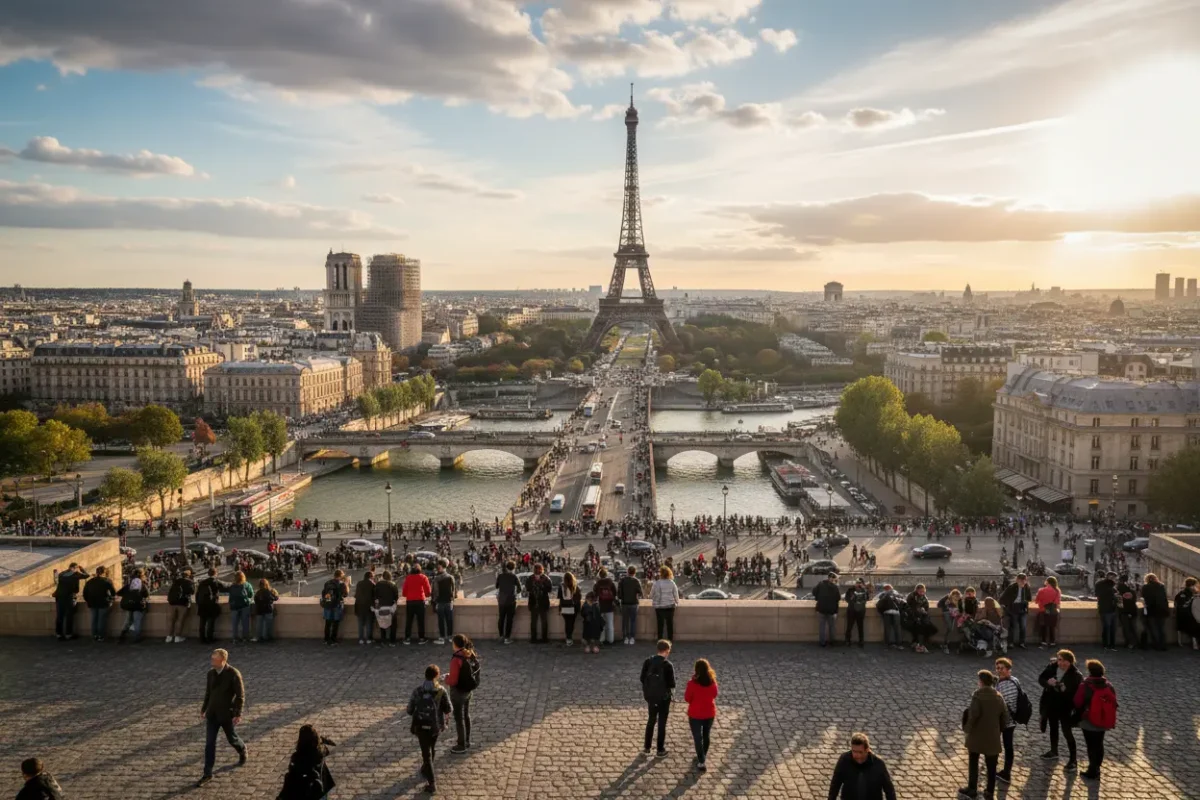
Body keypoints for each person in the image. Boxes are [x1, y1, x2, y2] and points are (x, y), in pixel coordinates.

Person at [197, 648, 247, 787]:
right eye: (212, 658)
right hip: (212, 714)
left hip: (225, 714)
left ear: (223, 660)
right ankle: (207, 773)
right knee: (209, 744)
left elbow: (240, 696)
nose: (212, 661)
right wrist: (204, 708)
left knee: (232, 739)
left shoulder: (233, 674)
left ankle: (242, 749)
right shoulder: (210, 674)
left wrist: (237, 713)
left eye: (215, 659)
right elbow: (208, 693)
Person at [961, 669, 1009, 800]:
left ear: (981, 682)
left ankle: (972, 789)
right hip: (992, 736)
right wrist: (999, 730)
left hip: (977, 734)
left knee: (973, 762)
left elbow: (973, 715)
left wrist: (967, 729)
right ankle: (989, 791)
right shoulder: (999, 696)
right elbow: (1004, 716)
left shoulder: (978, 695)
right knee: (991, 766)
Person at [406, 664, 453, 795]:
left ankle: (431, 783)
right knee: (431, 747)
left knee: (425, 753)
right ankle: (426, 767)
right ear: (436, 676)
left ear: (425, 675)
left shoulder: (417, 691)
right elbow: (448, 709)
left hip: (420, 726)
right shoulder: (441, 691)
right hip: (435, 726)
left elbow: (409, 710)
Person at [1073, 659, 1118, 782]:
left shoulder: (1085, 685)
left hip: (1088, 720)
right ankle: (1097, 768)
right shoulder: (1108, 685)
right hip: (1103, 719)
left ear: (1090, 671)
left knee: (1091, 745)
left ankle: (1092, 771)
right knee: (1099, 744)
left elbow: (1077, 702)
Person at [1038, 648, 1082, 771]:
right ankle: (1054, 751)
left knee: (1067, 732)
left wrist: (1062, 688)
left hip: (1065, 708)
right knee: (1053, 728)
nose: (1060, 663)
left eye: (1063, 660)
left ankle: (1073, 760)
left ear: (1070, 662)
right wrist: (1048, 683)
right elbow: (1041, 678)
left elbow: (1076, 694)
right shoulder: (1052, 667)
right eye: (1059, 660)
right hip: (1052, 704)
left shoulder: (1076, 675)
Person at [826, 732, 897, 800]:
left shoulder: (878, 764)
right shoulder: (844, 760)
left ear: (867, 750)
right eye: (854, 751)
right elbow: (835, 784)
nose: (857, 755)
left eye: (860, 752)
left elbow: (889, 789)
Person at [277, 724, 336, 800]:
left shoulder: (296, 757)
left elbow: (292, 775)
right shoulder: (319, 752)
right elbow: (325, 750)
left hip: (304, 792)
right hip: (319, 789)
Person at [640, 639, 676, 756]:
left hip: (651, 697)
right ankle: (660, 749)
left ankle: (647, 747)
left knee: (651, 720)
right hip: (664, 698)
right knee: (662, 723)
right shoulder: (668, 665)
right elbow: (672, 684)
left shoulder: (648, 661)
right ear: (667, 650)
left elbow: (642, 678)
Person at [446, 634, 480, 754]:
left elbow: (453, 681)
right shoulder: (469, 654)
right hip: (468, 690)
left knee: (459, 718)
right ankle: (467, 740)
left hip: (458, 692)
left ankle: (461, 744)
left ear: (455, 644)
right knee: (466, 715)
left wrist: (446, 679)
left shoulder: (456, 659)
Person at [993, 658, 1024, 784]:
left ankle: (1005, 772)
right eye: (998, 668)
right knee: (1008, 746)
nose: (999, 670)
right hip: (1011, 720)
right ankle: (1005, 771)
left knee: (1002, 745)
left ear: (1008, 669)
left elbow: (1001, 703)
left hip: (1004, 720)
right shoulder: (1014, 680)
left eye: (1002, 668)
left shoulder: (1005, 685)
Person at [684, 658, 718, 772]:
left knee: (697, 737)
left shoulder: (692, 683)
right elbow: (715, 694)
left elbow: (687, 698)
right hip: (709, 713)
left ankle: (701, 760)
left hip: (695, 714)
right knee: (706, 735)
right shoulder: (712, 682)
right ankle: (703, 755)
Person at [52, 561, 89, 641]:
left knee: (60, 616)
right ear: (75, 568)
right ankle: (68, 634)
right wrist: (82, 569)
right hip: (69, 597)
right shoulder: (76, 574)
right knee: (69, 616)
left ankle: (59, 634)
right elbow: (87, 575)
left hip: (59, 597)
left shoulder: (62, 574)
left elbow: (57, 581)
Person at [82, 565, 116, 642]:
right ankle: (100, 636)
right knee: (101, 620)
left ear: (97, 572)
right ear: (104, 572)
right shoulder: (107, 581)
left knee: (94, 619)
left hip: (92, 603)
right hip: (103, 603)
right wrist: (110, 599)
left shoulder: (90, 581)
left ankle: (94, 635)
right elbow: (113, 593)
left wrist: (88, 601)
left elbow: (85, 594)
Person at [998, 573, 1032, 649]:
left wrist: (1025, 602)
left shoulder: (1026, 587)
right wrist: (1006, 605)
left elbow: (1029, 598)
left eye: (1024, 581)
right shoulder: (1011, 587)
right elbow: (1002, 597)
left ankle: (1022, 642)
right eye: (1021, 581)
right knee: (1013, 626)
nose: (1023, 583)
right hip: (1013, 608)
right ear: (1017, 580)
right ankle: (1010, 642)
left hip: (1022, 608)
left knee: (1023, 626)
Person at [117, 568, 150, 644]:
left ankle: (122, 636)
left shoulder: (129, 585)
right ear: (142, 576)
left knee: (128, 621)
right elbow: (146, 595)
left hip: (129, 605)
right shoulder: (142, 585)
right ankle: (136, 638)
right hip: (138, 605)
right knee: (137, 621)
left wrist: (128, 595)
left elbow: (118, 593)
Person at [401, 564, 431, 645]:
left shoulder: (408, 578)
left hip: (410, 602)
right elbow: (428, 592)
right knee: (421, 621)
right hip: (420, 601)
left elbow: (404, 593)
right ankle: (421, 638)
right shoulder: (423, 577)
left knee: (409, 621)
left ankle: (407, 638)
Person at [165, 568, 196, 644]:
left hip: (173, 602)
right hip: (183, 602)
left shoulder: (176, 581)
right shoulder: (190, 582)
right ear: (189, 575)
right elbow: (192, 592)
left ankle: (169, 637)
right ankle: (177, 637)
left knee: (172, 620)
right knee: (180, 620)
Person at [650, 565, 680, 642]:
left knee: (660, 624)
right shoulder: (672, 583)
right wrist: (677, 602)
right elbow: (676, 595)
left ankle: (660, 640)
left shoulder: (657, 583)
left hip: (659, 607)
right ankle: (670, 640)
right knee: (670, 624)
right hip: (670, 606)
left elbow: (651, 595)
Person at [1140, 573, 1169, 651]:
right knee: (1161, 629)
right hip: (1162, 610)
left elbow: (1144, 598)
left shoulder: (1145, 587)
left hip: (1151, 610)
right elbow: (1165, 599)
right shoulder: (1161, 586)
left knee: (1153, 629)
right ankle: (1163, 645)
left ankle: (1157, 645)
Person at [525, 564, 553, 644]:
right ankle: (544, 638)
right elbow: (550, 589)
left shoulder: (530, 578)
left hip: (534, 602)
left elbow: (528, 588)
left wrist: (536, 587)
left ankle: (534, 638)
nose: (537, 571)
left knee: (534, 622)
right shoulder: (546, 578)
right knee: (543, 621)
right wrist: (541, 587)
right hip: (542, 602)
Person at [320, 569, 348, 646]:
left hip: (328, 605)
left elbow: (323, 593)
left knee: (328, 623)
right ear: (341, 576)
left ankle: (326, 639)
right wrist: (346, 584)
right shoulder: (341, 584)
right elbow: (345, 595)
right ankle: (333, 640)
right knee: (335, 623)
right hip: (337, 605)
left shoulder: (327, 582)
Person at [495, 561, 520, 645]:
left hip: (502, 600)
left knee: (501, 618)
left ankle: (501, 636)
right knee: (509, 620)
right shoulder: (514, 576)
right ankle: (507, 638)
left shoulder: (500, 576)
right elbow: (519, 589)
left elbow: (497, 586)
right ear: (513, 568)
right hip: (511, 601)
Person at [813, 572, 841, 647]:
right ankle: (832, 641)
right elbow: (838, 598)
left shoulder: (821, 584)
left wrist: (818, 598)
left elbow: (814, 592)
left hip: (821, 609)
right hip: (831, 610)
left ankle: (822, 642)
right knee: (832, 627)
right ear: (833, 579)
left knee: (822, 627)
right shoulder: (835, 587)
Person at [1094, 571, 1119, 652]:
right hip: (1107, 609)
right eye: (1114, 578)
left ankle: (1110, 645)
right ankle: (1108, 645)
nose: (1115, 579)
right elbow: (1100, 594)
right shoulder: (1105, 585)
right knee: (1108, 628)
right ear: (1109, 577)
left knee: (1110, 628)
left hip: (1110, 609)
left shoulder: (1110, 585)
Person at [618, 566, 643, 645]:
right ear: (634, 572)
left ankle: (625, 637)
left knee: (625, 621)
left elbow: (619, 594)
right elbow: (640, 593)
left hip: (624, 603)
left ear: (627, 571)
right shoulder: (636, 581)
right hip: (634, 603)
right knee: (633, 621)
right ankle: (632, 637)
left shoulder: (622, 580)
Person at [374, 570, 400, 646]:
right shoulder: (393, 584)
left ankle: (383, 640)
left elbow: (375, 595)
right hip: (391, 606)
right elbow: (396, 597)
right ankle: (392, 641)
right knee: (393, 625)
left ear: (383, 576)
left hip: (381, 606)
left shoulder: (378, 584)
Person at [593, 567, 619, 646]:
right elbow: (615, 593)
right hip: (609, 605)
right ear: (606, 574)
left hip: (600, 606)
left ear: (600, 575)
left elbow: (594, 594)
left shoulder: (597, 583)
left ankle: (602, 639)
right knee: (610, 624)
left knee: (601, 624)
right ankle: (610, 640)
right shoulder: (610, 582)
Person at [1034, 576, 1062, 648]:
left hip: (1043, 611)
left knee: (1043, 626)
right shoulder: (1057, 591)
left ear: (1047, 582)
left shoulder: (1041, 590)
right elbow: (1058, 603)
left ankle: (1043, 641)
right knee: (1052, 627)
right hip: (1053, 612)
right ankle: (1052, 642)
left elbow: (1036, 601)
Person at [433, 560, 456, 645]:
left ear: (442, 567)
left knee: (441, 621)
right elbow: (453, 590)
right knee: (449, 620)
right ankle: (450, 637)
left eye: (439, 567)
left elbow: (435, 592)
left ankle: (442, 638)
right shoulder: (451, 577)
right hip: (449, 601)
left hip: (440, 602)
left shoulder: (437, 578)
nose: (438, 568)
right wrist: (452, 600)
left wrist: (435, 602)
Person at [228, 571, 254, 644]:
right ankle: (245, 637)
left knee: (234, 624)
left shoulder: (232, 586)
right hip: (244, 605)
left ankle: (235, 638)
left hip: (234, 606)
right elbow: (251, 594)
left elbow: (230, 596)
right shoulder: (247, 585)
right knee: (245, 623)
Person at [1116, 573, 1140, 650]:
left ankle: (1130, 643)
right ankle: (1136, 642)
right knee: (1133, 628)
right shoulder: (1132, 591)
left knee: (1126, 628)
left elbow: (1120, 604)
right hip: (1133, 611)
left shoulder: (1119, 591)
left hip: (1124, 612)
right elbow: (1134, 600)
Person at [876, 584, 903, 650]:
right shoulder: (896, 593)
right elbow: (902, 601)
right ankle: (899, 644)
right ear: (891, 588)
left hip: (887, 612)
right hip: (896, 612)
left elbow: (879, 603)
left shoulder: (883, 594)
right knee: (897, 628)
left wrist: (882, 612)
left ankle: (887, 643)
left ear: (885, 589)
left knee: (887, 629)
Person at [1174, 576, 1199, 650]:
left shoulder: (1181, 593)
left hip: (1181, 614)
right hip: (1189, 614)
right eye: (1195, 585)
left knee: (1180, 628)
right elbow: (1185, 604)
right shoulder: (1191, 593)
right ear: (1192, 585)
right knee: (1194, 629)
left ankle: (1179, 642)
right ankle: (1194, 644)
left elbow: (1176, 603)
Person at [558, 571, 581, 646]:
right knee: (571, 624)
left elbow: (560, 599)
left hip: (564, 608)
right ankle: (569, 637)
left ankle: (568, 638)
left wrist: (560, 609)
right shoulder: (575, 586)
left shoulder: (561, 586)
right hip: (573, 608)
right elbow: (578, 599)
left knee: (567, 623)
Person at [844, 578, 869, 648]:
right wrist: (853, 597)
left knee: (860, 626)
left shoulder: (864, 590)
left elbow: (867, 599)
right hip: (851, 610)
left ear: (862, 584)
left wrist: (864, 590)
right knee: (849, 626)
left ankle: (861, 641)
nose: (858, 584)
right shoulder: (850, 590)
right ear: (855, 583)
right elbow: (847, 599)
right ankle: (847, 640)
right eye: (857, 582)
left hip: (860, 611)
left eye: (860, 583)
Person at [354, 569, 377, 645]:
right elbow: (375, 596)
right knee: (369, 623)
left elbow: (356, 595)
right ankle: (368, 639)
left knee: (360, 624)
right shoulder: (372, 584)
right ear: (371, 577)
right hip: (369, 606)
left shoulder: (359, 583)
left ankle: (361, 639)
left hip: (359, 606)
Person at [253, 578, 279, 643]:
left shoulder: (258, 593)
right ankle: (267, 637)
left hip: (259, 610)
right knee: (268, 625)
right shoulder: (270, 592)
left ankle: (259, 637)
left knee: (259, 625)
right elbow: (276, 598)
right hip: (268, 610)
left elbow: (256, 601)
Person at [938, 589, 962, 654]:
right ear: (952, 595)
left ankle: (949, 644)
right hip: (947, 612)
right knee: (950, 627)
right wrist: (945, 606)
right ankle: (945, 644)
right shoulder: (947, 598)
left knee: (955, 628)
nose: (956, 598)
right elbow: (939, 604)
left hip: (955, 613)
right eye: (955, 597)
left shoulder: (960, 599)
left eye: (957, 597)